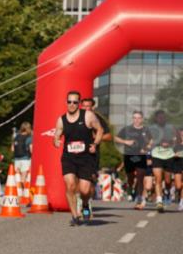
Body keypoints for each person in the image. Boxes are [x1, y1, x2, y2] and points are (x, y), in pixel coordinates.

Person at [53, 90, 104, 225]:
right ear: (66, 103)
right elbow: (56, 135)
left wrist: (95, 143)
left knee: (84, 190)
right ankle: (75, 216)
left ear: (79, 104)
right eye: (69, 102)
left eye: (75, 102)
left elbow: (100, 130)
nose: (72, 104)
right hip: (69, 157)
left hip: (86, 158)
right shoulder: (61, 119)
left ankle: (85, 204)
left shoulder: (88, 116)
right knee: (70, 185)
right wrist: (56, 141)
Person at [114, 110, 153, 209]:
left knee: (140, 177)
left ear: (142, 119)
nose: (136, 120)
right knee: (130, 177)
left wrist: (147, 148)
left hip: (140, 155)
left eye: (139, 118)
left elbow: (152, 140)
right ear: (132, 119)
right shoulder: (127, 129)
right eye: (134, 118)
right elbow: (116, 138)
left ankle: (140, 198)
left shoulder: (146, 130)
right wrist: (125, 142)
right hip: (129, 155)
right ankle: (130, 187)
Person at [80, 97, 111, 206]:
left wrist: (96, 137)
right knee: (75, 180)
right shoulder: (74, 116)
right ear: (81, 106)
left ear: (93, 107)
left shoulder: (97, 119)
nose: (86, 108)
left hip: (91, 154)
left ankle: (87, 203)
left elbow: (108, 136)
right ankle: (81, 203)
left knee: (90, 180)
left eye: (89, 106)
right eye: (84, 106)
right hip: (76, 153)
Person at [148, 109, 177, 214]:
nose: (161, 119)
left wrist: (170, 142)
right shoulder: (152, 128)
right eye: (159, 117)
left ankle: (167, 191)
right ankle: (159, 201)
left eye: (163, 117)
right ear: (156, 119)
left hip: (169, 156)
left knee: (168, 181)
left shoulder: (170, 128)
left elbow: (176, 139)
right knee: (158, 178)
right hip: (156, 155)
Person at [11, 121, 33, 186]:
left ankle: (17, 192)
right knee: (23, 178)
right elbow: (32, 150)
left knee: (17, 177)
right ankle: (23, 193)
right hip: (25, 159)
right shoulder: (29, 138)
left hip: (16, 159)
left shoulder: (16, 137)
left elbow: (12, 149)